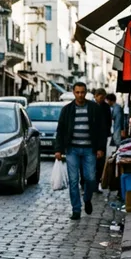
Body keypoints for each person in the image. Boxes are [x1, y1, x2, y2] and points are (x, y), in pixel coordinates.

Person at [54, 82, 108, 221]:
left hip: (89, 149)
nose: (80, 95)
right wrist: (58, 149)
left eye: (82, 92)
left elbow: (102, 130)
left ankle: (87, 198)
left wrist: (101, 148)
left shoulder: (94, 108)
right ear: (73, 92)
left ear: (86, 92)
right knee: (73, 181)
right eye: (77, 92)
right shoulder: (67, 110)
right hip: (72, 150)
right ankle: (76, 209)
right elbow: (60, 130)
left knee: (90, 178)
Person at [93, 88, 112, 189]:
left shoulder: (106, 107)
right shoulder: (91, 106)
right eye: (98, 96)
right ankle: (86, 183)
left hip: (102, 137)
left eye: (102, 96)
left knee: (100, 161)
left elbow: (108, 122)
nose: (100, 98)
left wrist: (106, 133)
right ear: (95, 96)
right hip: (91, 137)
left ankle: (96, 183)